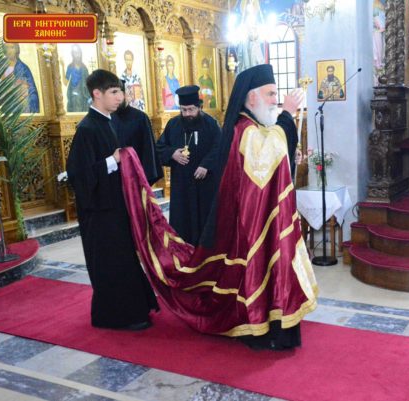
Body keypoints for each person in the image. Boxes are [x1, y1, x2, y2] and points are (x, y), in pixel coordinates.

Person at [117, 64, 317, 350]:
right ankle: (259, 325)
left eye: (276, 95)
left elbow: (272, 155)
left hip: (255, 217)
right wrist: (287, 114)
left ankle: (274, 323)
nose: (276, 99)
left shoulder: (253, 126)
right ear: (252, 98)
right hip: (250, 222)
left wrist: (285, 130)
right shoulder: (244, 129)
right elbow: (268, 158)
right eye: (271, 94)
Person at [66, 69, 158, 330]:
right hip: (100, 213)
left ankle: (133, 311)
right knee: (111, 263)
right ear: (97, 93)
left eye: (120, 91)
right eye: (114, 92)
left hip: (115, 207)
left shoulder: (107, 122)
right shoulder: (87, 128)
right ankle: (115, 317)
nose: (121, 97)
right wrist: (113, 160)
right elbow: (79, 175)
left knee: (123, 260)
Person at [156, 85, 221, 245]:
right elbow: (159, 147)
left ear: (199, 107)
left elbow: (220, 148)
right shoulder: (173, 124)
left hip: (205, 184)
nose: (187, 114)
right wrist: (172, 153)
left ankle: (205, 253)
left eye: (191, 109)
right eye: (183, 110)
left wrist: (206, 165)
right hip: (182, 185)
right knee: (183, 222)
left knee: (205, 220)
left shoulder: (211, 124)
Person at [112, 79, 163, 185]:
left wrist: (145, 179)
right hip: (112, 176)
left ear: (126, 95)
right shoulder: (107, 118)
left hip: (135, 176)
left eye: (119, 95)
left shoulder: (140, 117)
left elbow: (148, 150)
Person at [2, 42, 39, 113]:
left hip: (20, 104)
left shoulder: (23, 68)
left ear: (16, 49)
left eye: (12, 47)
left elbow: (32, 90)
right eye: (7, 47)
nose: (9, 50)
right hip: (4, 104)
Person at [60, 45, 91, 112]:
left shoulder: (84, 68)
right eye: (75, 53)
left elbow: (88, 84)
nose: (77, 55)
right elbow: (65, 83)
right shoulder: (70, 67)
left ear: (81, 54)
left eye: (78, 52)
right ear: (72, 54)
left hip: (83, 95)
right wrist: (62, 66)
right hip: (73, 95)